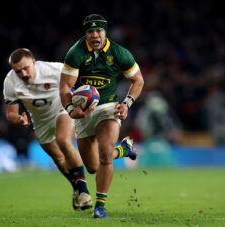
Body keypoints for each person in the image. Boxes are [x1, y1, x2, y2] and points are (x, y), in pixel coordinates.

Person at [60, 14, 144, 218]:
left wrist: (126, 103)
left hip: (109, 107)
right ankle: (124, 149)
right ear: (85, 34)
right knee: (92, 167)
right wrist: (72, 110)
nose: (95, 35)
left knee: (105, 154)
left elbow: (138, 80)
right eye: (90, 31)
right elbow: (65, 86)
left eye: (99, 31)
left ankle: (100, 206)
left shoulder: (119, 53)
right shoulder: (75, 52)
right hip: (83, 111)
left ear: (105, 32)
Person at [3, 48, 92, 211]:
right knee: (58, 158)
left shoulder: (55, 69)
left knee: (64, 141)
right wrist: (18, 119)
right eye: (18, 71)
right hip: (40, 121)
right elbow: (10, 113)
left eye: (25, 68)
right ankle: (76, 188)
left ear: (34, 62)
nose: (23, 73)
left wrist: (82, 99)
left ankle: (84, 193)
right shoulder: (10, 82)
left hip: (62, 109)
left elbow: (76, 80)